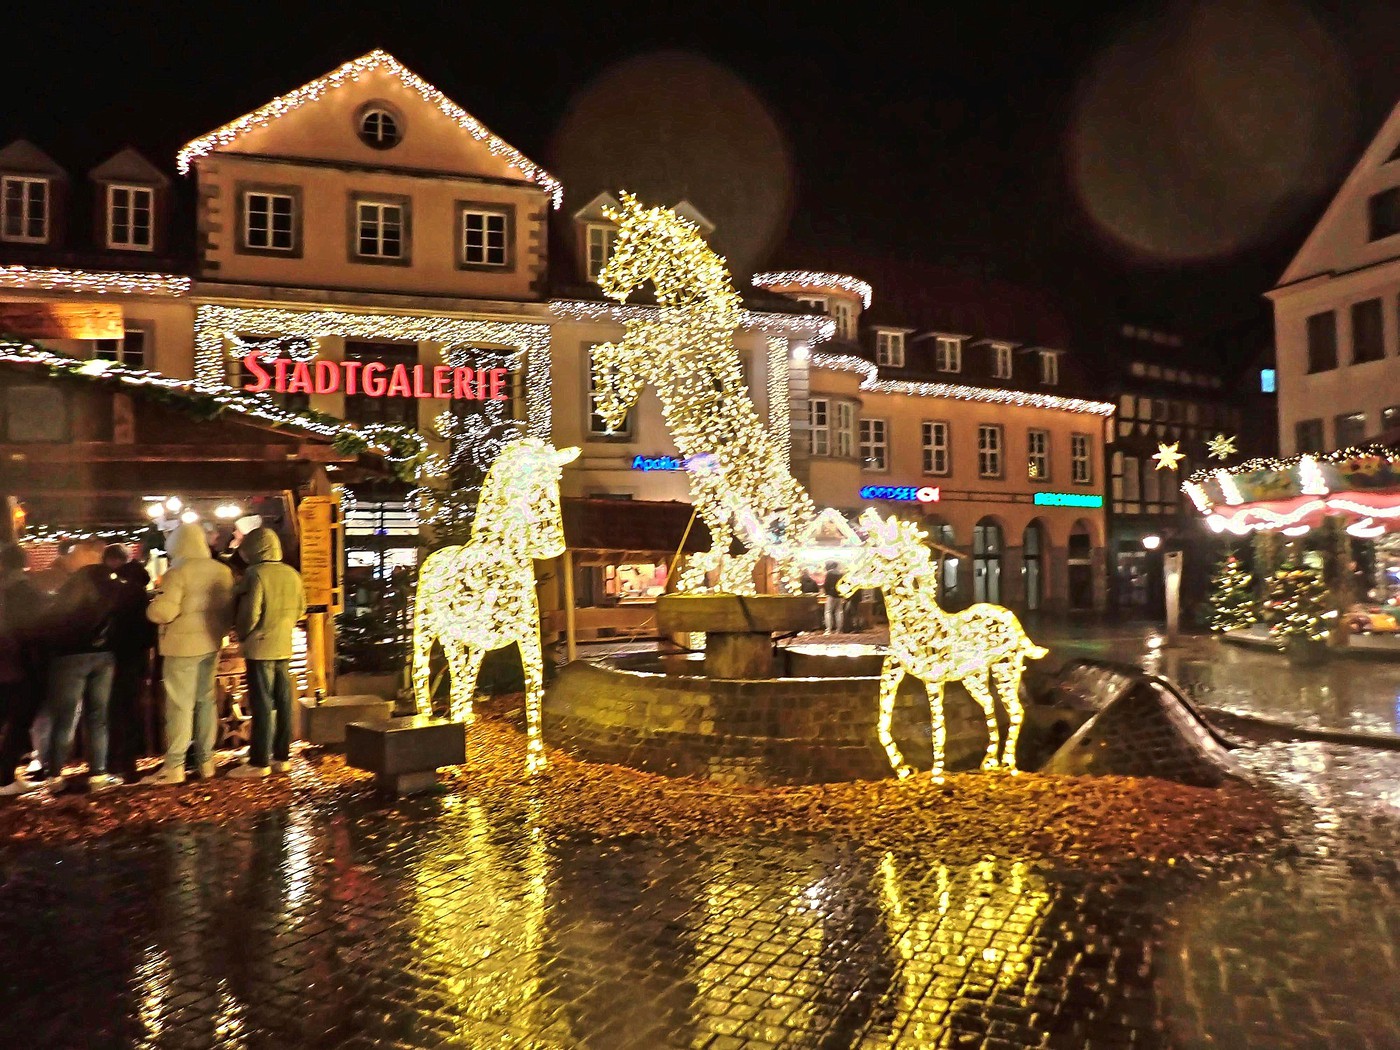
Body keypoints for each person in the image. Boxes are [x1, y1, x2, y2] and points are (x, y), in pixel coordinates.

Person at [143, 523, 234, 786]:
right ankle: (206, 761)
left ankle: (175, 765)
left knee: (179, 705)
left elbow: (164, 612)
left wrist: (151, 608)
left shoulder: (177, 572)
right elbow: (228, 611)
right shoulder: (222, 571)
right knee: (206, 701)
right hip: (211, 643)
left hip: (182, 647)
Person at [39, 545, 124, 791]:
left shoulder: (66, 596)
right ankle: (98, 773)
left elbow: (50, 624)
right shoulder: (111, 591)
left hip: (69, 658)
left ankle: (54, 775)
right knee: (98, 717)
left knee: (65, 718)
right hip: (103, 656)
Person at [228, 527, 305, 779]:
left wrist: (241, 632)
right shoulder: (292, 574)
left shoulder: (255, 574)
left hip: (259, 646)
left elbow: (251, 614)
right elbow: (301, 610)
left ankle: (259, 760)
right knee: (283, 702)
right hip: (284, 644)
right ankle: (282, 757)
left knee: (262, 703)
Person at [0, 544, 49, 796]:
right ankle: (4, 778)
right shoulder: (26, 592)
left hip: (8, 663)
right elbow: (38, 627)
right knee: (20, 722)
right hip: (17, 665)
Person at [105, 545, 155, 784]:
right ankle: (131, 759)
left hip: (120, 655)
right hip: (139, 655)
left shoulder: (119, 591)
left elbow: (113, 623)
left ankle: (119, 761)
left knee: (119, 708)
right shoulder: (142, 592)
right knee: (132, 707)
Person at [822, 562, 845, 634]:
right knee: (839, 612)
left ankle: (828, 630)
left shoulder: (829, 573)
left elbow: (826, 585)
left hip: (831, 595)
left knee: (828, 612)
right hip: (839, 595)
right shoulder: (840, 574)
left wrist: (826, 593)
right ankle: (839, 630)